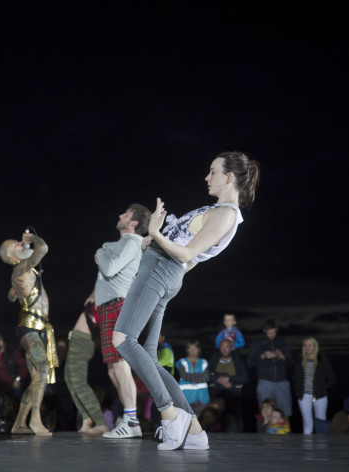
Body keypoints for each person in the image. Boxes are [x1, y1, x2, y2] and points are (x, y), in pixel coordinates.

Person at [111, 151, 259, 451]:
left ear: (229, 177)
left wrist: (155, 234)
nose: (207, 177)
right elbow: (189, 258)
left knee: (123, 339)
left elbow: (188, 254)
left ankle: (168, 413)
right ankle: (193, 429)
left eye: (213, 171)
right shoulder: (220, 211)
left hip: (162, 269)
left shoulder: (225, 214)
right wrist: (158, 244)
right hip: (167, 271)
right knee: (149, 355)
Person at [81, 204, 150, 439]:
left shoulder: (131, 242)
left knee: (120, 364)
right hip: (109, 305)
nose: (120, 214)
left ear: (134, 223)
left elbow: (109, 267)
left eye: (126, 214)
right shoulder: (123, 244)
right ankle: (129, 419)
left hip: (118, 305)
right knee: (113, 370)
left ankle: (131, 421)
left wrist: (100, 253)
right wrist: (105, 249)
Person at [0, 229, 57, 436]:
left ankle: (19, 423)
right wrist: (31, 239)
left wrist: (18, 289)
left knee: (36, 378)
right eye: (16, 244)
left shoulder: (23, 270)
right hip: (30, 329)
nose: (20, 243)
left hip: (36, 327)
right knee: (42, 367)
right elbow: (43, 248)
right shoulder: (22, 266)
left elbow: (12, 296)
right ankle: (35, 419)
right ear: (11, 256)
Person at [65, 304, 108, 434]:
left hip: (81, 341)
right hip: (78, 341)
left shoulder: (102, 291)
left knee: (78, 383)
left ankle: (100, 422)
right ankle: (86, 418)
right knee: (69, 380)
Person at [247, 319, 293, 419]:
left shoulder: (283, 342)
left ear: (276, 329)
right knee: (265, 411)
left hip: (282, 381)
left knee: (285, 412)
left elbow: (291, 363)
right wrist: (263, 356)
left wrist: (282, 357)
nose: (271, 335)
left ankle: (286, 433)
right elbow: (250, 363)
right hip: (265, 381)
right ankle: (265, 433)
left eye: (273, 332)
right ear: (264, 330)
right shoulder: (257, 343)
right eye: (269, 332)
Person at [293, 337, 336, 434]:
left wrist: (322, 388)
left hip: (320, 396)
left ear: (315, 346)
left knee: (321, 422)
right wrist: (298, 390)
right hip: (304, 396)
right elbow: (295, 378)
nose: (307, 347)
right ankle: (307, 447)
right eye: (305, 345)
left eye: (309, 345)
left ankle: (321, 446)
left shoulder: (323, 360)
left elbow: (332, 378)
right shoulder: (299, 361)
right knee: (307, 423)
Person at [208, 338, 248, 432]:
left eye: (227, 347)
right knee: (214, 413)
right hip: (217, 393)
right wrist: (220, 379)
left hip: (233, 392)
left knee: (234, 417)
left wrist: (229, 380)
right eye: (222, 347)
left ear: (231, 348)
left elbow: (245, 378)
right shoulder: (214, 359)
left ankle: (237, 435)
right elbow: (207, 376)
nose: (224, 349)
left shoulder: (237, 361)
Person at [177, 341, 210, 416]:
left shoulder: (204, 362)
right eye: (190, 349)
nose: (192, 351)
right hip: (186, 397)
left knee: (202, 420)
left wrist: (190, 376)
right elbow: (184, 376)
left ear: (198, 350)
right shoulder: (182, 362)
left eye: (194, 349)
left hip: (202, 397)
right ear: (187, 350)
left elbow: (206, 378)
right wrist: (200, 376)